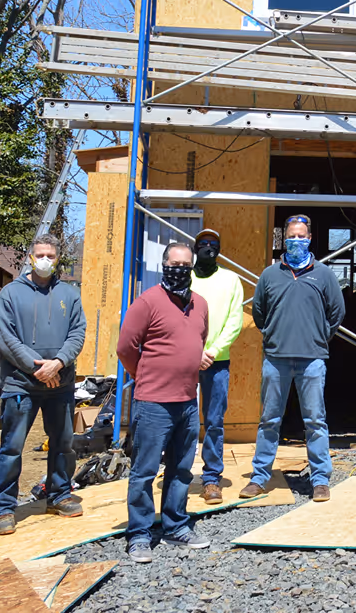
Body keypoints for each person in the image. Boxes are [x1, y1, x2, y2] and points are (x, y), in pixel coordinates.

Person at [0, 234, 88, 535]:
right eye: (40, 254)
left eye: (51, 256)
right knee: (12, 447)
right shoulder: (10, 294)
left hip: (60, 384)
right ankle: (4, 508)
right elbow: (6, 338)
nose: (45, 260)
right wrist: (36, 368)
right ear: (31, 257)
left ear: (58, 259)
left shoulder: (69, 294)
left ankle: (58, 495)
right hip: (21, 385)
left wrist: (58, 362)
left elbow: (77, 333)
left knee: (62, 443)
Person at [117, 241, 211, 562]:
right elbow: (126, 349)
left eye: (186, 265)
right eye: (175, 264)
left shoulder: (200, 304)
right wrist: (147, 374)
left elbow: (198, 341)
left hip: (187, 401)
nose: (180, 270)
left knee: (181, 469)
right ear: (164, 264)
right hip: (153, 402)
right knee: (144, 471)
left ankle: (175, 525)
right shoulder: (147, 303)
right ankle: (140, 534)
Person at [243, 214, 346, 502]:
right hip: (276, 359)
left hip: (312, 359)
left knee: (315, 421)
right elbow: (260, 312)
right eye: (292, 236)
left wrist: (318, 335)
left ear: (310, 239)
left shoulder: (324, 274)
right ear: (283, 239)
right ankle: (260, 476)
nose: (297, 241)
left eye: (302, 236)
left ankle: (320, 479)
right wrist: (275, 334)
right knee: (269, 420)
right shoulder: (270, 275)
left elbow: (337, 312)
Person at [189, 227, 244, 504]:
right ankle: (179, 473)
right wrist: (192, 352)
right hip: (184, 362)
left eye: (213, 243)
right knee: (182, 421)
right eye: (203, 243)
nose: (208, 247)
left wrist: (212, 351)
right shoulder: (183, 277)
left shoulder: (231, 280)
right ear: (195, 247)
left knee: (213, 422)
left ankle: (211, 479)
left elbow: (235, 321)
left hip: (216, 362)